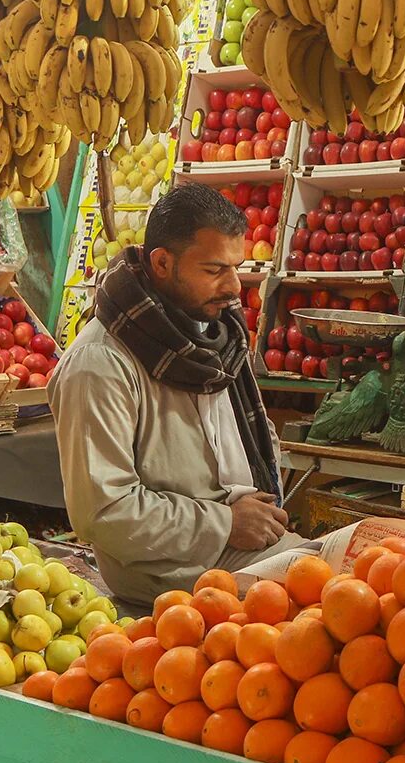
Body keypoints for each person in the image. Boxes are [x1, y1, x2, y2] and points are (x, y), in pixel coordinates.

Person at [49, 183, 301, 605]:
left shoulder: (215, 336)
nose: (235, 287)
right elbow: (104, 512)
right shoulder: (99, 364)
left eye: (236, 267)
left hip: (244, 536)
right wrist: (225, 523)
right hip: (168, 572)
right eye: (214, 270)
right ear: (163, 263)